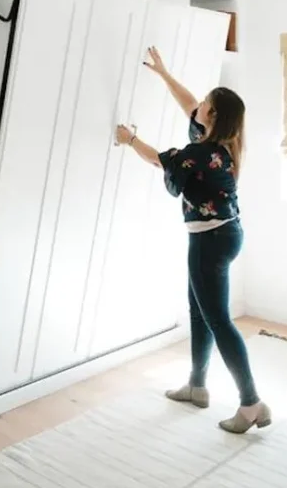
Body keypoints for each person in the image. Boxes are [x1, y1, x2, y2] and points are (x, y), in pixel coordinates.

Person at [115, 46, 271, 435]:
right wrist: (165, 74)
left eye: (205, 103)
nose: (198, 104)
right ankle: (197, 386)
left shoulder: (199, 154)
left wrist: (129, 139)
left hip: (209, 241)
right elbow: (189, 103)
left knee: (217, 319)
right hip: (225, 234)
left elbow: (158, 160)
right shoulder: (224, 144)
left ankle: (251, 402)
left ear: (213, 116)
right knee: (200, 310)